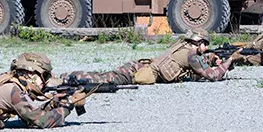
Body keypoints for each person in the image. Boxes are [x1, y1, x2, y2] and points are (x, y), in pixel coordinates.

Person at [56, 30, 236, 86]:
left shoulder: (183, 46)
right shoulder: (191, 54)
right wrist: (229, 62)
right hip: (140, 71)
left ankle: (66, 76)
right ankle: (64, 78)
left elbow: (199, 60)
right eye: (205, 44)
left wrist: (212, 57)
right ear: (198, 41)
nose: (206, 48)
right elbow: (212, 76)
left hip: (141, 65)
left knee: (103, 75)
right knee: (103, 79)